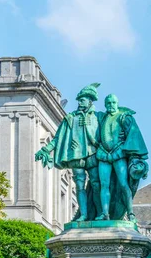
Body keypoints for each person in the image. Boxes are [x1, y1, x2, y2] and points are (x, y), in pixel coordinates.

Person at [35, 83, 102, 221]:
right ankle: (83, 214)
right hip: (76, 155)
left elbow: (103, 137)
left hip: (92, 154)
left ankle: (100, 213)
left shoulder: (97, 117)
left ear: (90, 101)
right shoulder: (71, 118)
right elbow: (58, 138)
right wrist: (46, 149)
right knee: (79, 186)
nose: (79, 102)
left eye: (82, 100)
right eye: (79, 100)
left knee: (96, 184)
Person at [95, 94, 148, 221]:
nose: (111, 105)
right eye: (108, 103)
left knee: (124, 184)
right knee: (104, 185)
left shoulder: (124, 116)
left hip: (118, 153)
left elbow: (133, 135)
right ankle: (105, 213)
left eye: (113, 103)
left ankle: (130, 213)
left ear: (117, 103)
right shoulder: (102, 118)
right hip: (103, 153)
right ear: (105, 105)